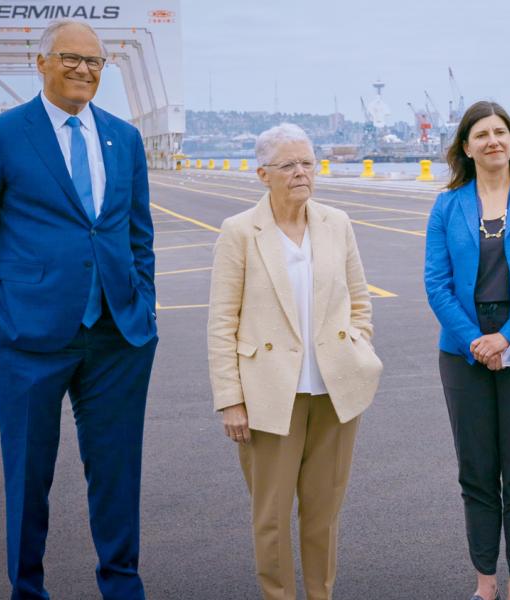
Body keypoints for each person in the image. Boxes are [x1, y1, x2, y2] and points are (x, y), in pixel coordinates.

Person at [0, 20, 157, 599]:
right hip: (26, 336)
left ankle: (122, 586)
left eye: (94, 62)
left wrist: (145, 305)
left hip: (118, 335)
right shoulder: (1, 135)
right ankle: (28, 590)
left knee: (118, 473)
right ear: (41, 62)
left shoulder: (125, 137)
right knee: (27, 476)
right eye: (70, 58)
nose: (83, 70)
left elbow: (138, 234)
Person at [208, 123, 382, 600]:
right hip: (269, 395)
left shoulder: (336, 223)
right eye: (289, 165)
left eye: (308, 162)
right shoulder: (240, 231)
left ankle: (320, 594)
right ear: (263, 173)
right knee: (271, 517)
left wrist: (359, 348)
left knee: (323, 514)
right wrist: (231, 400)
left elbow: (360, 300)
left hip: (334, 390)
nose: (302, 172)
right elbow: (222, 321)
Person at [424, 101, 510, 600]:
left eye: (500, 132)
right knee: (477, 472)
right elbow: (436, 283)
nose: (493, 141)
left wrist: (506, 336)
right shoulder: (447, 205)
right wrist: (476, 342)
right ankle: (485, 583)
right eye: (481, 134)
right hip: (464, 348)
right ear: (466, 146)